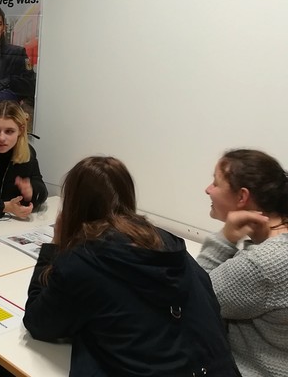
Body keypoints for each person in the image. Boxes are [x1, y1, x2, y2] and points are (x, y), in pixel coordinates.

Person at [23, 156, 240, 376]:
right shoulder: (168, 244)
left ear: (74, 205)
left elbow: (38, 322)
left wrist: (55, 246)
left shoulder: (84, 261)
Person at [196, 149, 288, 377]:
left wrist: (224, 239)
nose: (207, 189)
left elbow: (195, 298)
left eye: (215, 183)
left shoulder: (262, 264)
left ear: (242, 197)